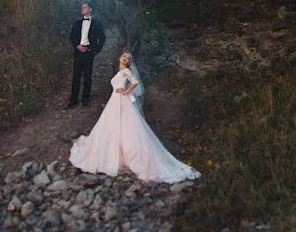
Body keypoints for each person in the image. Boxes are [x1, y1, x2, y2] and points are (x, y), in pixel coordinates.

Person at [69, 51, 200, 183]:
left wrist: (126, 91)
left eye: (128, 58)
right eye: (124, 56)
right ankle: (114, 154)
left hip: (121, 99)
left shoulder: (126, 71)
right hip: (114, 101)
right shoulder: (119, 72)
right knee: (112, 126)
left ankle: (128, 157)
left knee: (127, 127)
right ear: (120, 57)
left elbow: (135, 82)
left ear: (128, 62)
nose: (125, 59)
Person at [65, 2, 106, 109]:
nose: (82, 8)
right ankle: (73, 100)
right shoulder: (77, 23)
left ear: (91, 9)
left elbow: (102, 38)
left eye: (85, 7)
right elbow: (72, 37)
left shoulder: (97, 23)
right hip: (78, 51)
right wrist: (77, 46)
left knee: (87, 76)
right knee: (76, 76)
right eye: (82, 7)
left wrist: (95, 51)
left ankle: (85, 99)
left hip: (89, 52)